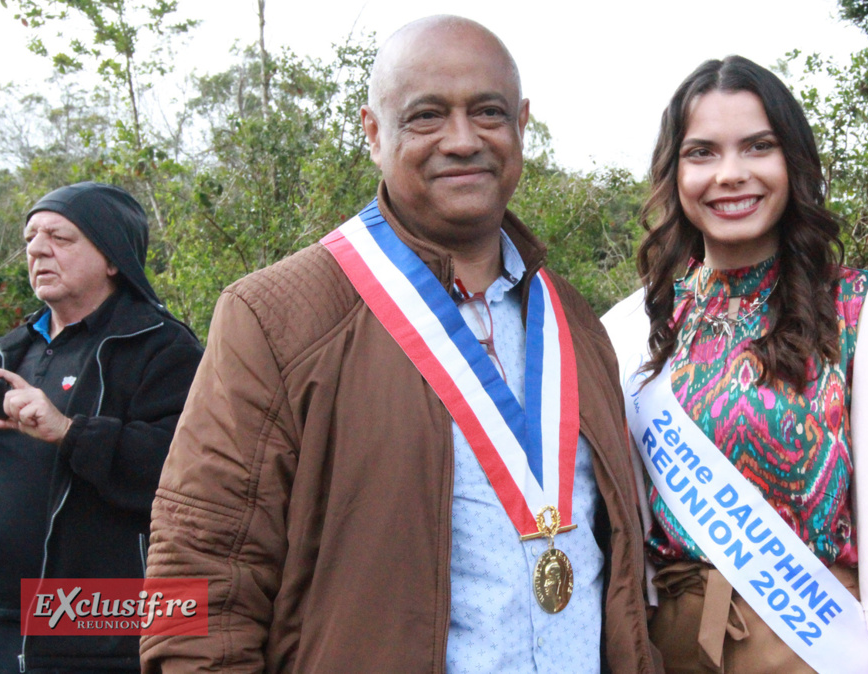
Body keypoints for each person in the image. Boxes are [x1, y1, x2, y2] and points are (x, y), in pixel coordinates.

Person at [140, 15, 658, 674]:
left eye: (488, 112)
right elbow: (200, 578)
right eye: (426, 117)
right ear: (373, 132)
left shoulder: (577, 323)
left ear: (522, 124)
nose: (463, 139)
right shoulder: (275, 319)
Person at [602, 56, 868, 673]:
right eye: (702, 152)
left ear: (794, 162)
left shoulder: (864, 309)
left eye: (758, 147)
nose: (731, 174)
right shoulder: (630, 329)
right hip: (670, 647)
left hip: (818, 645)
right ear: (673, 172)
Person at [0, 182, 203, 673]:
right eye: (31, 238)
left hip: (97, 626)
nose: (37, 248)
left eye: (59, 237)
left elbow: (190, 473)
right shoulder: (8, 351)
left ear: (112, 257)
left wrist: (69, 430)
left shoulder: (161, 346)